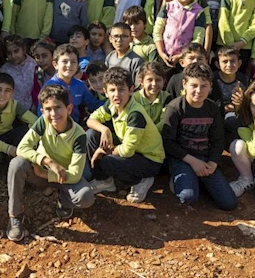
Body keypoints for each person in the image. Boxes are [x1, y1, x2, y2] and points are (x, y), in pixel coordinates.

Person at [6, 85, 95, 241]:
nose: (53, 114)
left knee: (85, 197)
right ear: (42, 111)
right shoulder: (42, 123)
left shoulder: (79, 135)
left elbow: (74, 175)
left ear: (69, 108)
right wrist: (46, 161)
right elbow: (22, 148)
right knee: (17, 164)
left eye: (58, 107)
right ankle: (15, 216)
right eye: (48, 109)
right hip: (43, 170)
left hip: (64, 177)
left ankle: (64, 200)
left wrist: (46, 174)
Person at [162, 63, 237, 210]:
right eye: (194, 85)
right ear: (184, 84)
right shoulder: (175, 108)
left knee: (229, 203)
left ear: (210, 87)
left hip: (205, 158)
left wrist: (213, 162)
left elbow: (218, 139)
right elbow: (168, 142)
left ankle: (198, 178)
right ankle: (182, 178)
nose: (198, 91)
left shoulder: (212, 108)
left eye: (204, 86)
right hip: (183, 158)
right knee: (188, 197)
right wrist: (192, 161)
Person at [86, 67, 164, 203]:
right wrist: (105, 130)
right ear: (105, 92)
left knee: (107, 161)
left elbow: (127, 151)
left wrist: (103, 150)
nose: (117, 95)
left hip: (149, 159)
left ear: (131, 89)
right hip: (133, 150)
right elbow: (91, 120)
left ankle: (142, 179)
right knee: (92, 134)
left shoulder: (135, 114)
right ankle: (105, 181)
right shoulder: (112, 105)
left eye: (121, 89)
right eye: (112, 90)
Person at [0, 73, 38, 177]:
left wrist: (31, 141)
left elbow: (35, 121)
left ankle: (23, 160)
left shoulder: (14, 105)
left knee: (27, 131)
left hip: (8, 135)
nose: (2, 94)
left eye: (7, 91)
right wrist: (8, 149)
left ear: (12, 93)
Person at [154, 0, 209, 69]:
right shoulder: (167, 7)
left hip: (185, 61)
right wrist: (161, 53)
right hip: (163, 56)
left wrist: (181, 56)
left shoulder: (199, 12)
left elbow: (198, 39)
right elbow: (157, 31)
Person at [42, 44, 101, 123]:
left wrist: (112, 104)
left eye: (73, 62)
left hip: (75, 129)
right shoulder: (48, 87)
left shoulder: (80, 85)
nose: (69, 65)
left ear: (77, 65)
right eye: (65, 61)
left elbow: (94, 105)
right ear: (55, 65)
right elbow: (42, 116)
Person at [1, 36, 40, 113]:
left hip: (34, 107)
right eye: (9, 53)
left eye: (16, 51)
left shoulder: (34, 64)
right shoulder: (5, 69)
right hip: (14, 110)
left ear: (23, 49)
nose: (13, 56)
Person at [132, 61, 169, 133]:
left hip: (158, 137)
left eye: (158, 80)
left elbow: (164, 122)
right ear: (141, 81)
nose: (154, 84)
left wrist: (149, 133)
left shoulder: (167, 98)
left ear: (164, 81)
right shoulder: (134, 98)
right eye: (149, 80)